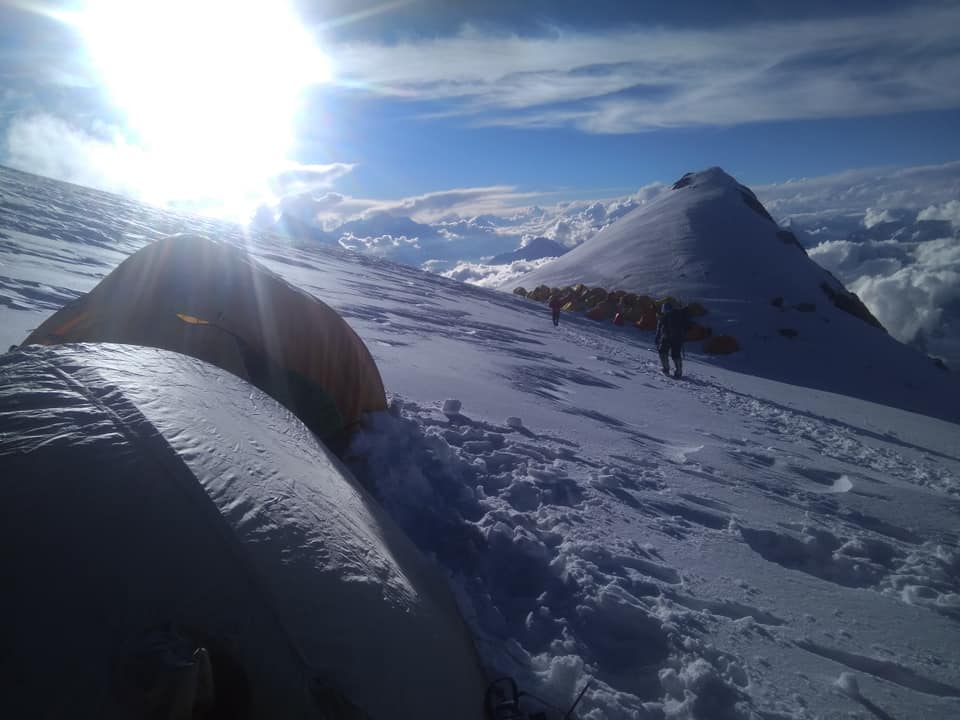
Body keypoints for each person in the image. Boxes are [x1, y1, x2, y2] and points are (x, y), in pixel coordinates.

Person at [655, 301, 689, 378]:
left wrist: (659, 317)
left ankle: (666, 368)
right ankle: (679, 371)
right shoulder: (680, 315)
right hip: (678, 338)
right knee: (676, 354)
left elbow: (661, 325)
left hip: (667, 337)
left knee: (662, 351)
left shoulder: (667, 315)